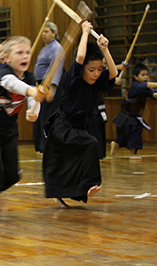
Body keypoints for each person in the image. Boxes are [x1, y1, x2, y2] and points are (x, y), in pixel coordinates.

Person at [43, 21, 117, 209]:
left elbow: (113, 73)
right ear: (82, 68)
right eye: (91, 70)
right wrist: (84, 32)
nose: (95, 74)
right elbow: (81, 55)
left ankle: (73, 192)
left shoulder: (97, 81)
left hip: (79, 125)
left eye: (99, 70)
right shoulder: (72, 79)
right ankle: (91, 184)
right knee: (91, 144)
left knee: (74, 160)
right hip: (63, 125)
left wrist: (104, 50)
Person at [0, 36, 44, 222]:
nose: (25, 56)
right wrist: (31, 91)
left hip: (10, 130)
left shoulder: (29, 77)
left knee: (13, 175)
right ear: (6, 58)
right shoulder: (3, 73)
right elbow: (12, 84)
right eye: (19, 53)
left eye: (28, 52)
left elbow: (33, 102)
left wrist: (33, 112)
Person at [110, 63, 157, 160]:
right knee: (124, 133)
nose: (146, 77)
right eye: (143, 75)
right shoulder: (136, 86)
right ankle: (115, 143)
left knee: (136, 133)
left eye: (147, 75)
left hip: (136, 116)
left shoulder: (145, 88)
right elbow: (146, 85)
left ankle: (132, 154)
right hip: (126, 115)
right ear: (135, 76)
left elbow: (152, 93)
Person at [33, 22, 64, 154]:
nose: (43, 34)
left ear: (54, 33)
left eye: (46, 31)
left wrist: (52, 89)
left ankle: (49, 146)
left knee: (48, 116)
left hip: (50, 85)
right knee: (41, 115)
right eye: (43, 32)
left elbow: (56, 70)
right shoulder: (44, 48)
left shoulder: (56, 48)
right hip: (41, 85)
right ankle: (42, 146)